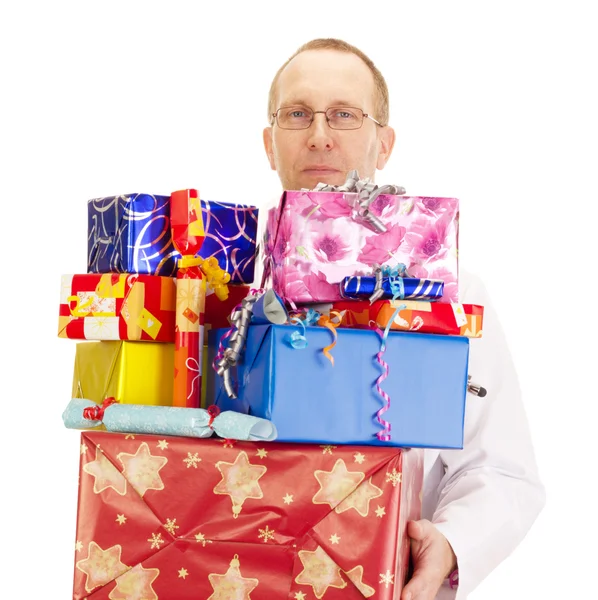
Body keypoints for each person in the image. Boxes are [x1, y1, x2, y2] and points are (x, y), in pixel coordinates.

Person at [262, 38, 546, 600]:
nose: (320, 134)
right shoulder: (216, 279)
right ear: (269, 143)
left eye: (344, 114)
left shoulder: (452, 296)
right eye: (298, 114)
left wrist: (451, 542)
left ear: (383, 143)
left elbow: (500, 470)